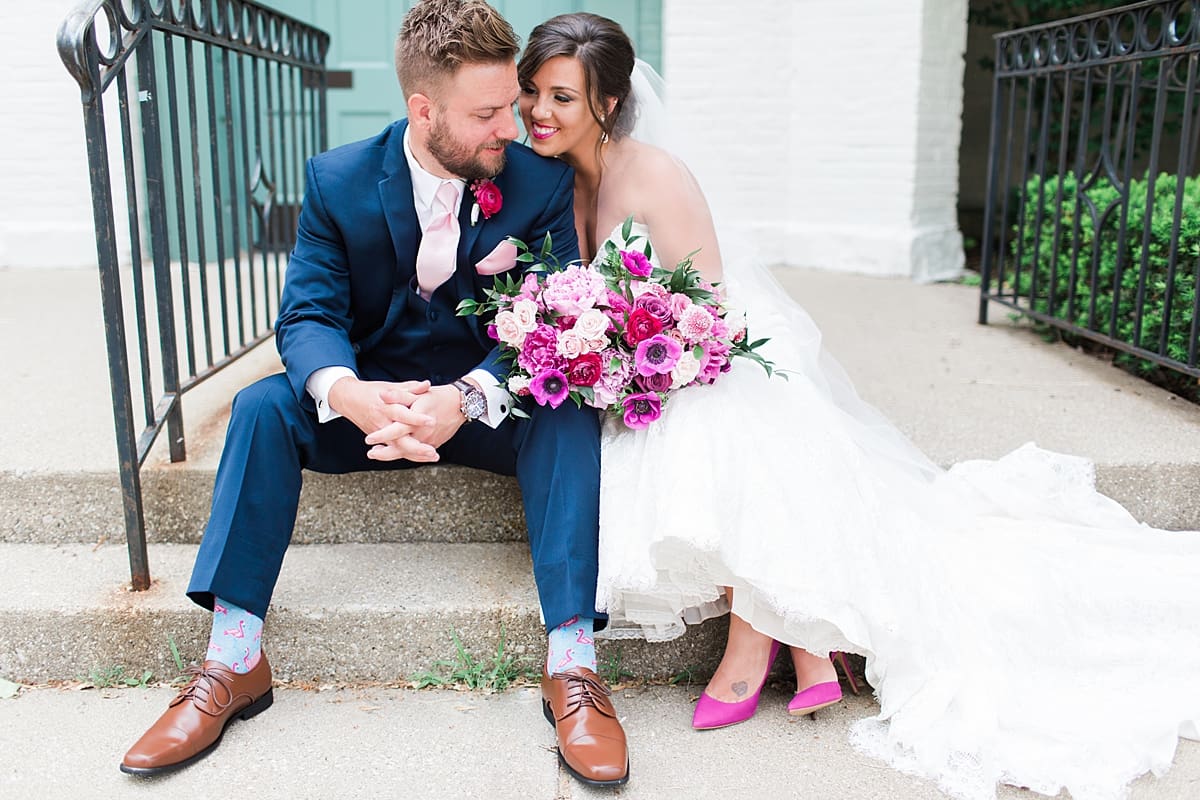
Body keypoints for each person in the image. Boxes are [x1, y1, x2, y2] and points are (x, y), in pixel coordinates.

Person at [517, 12, 1200, 800]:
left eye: (561, 95)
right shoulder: (556, 178)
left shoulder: (656, 175)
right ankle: (796, 633)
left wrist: (641, 360)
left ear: (606, 103)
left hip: (710, 354)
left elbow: (710, 309)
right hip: (639, 370)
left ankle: (762, 630)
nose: (540, 109)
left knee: (711, 431)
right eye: (533, 90)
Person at [119, 1, 628, 787]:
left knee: (564, 409)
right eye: (487, 113)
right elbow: (309, 314)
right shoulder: (337, 178)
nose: (511, 126)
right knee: (260, 408)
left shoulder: (540, 183)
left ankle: (572, 664)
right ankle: (232, 660)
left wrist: (469, 393)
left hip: (478, 411)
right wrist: (350, 392)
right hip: (369, 408)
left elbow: (553, 318)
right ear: (424, 110)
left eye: (509, 106)